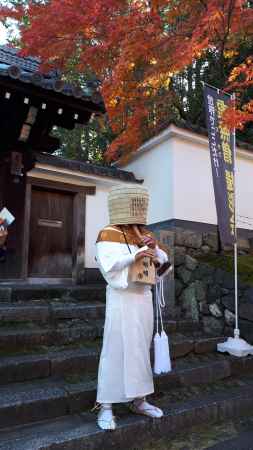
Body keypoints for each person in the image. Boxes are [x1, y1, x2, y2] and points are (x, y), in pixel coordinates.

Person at [95, 185, 171, 430]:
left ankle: (140, 399)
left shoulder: (144, 233)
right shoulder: (108, 233)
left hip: (142, 297)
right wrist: (134, 256)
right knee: (115, 347)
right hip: (121, 298)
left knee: (139, 347)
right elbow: (108, 266)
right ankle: (106, 405)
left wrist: (155, 248)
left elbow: (163, 266)